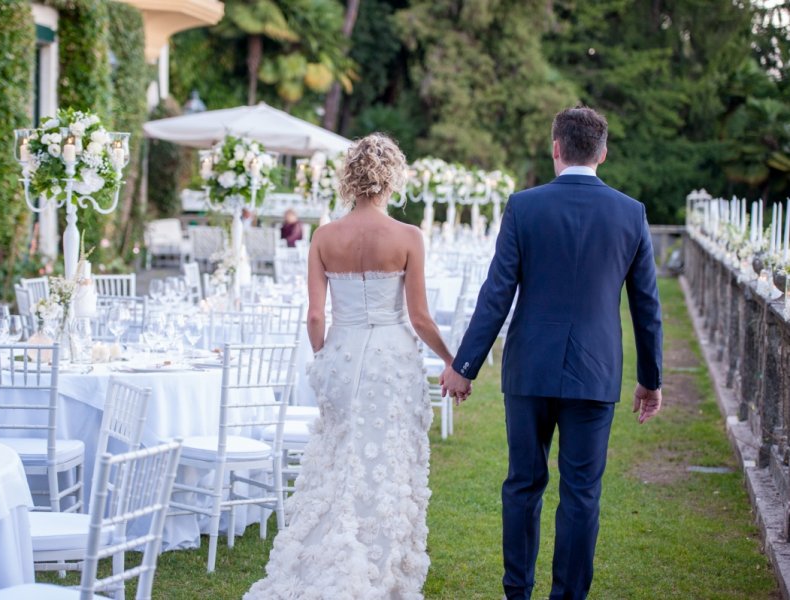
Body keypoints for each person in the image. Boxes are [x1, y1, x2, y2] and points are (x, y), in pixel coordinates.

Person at [441, 106, 663, 600]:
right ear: (603, 152)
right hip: (596, 372)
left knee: (523, 485)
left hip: (530, 370)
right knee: (581, 495)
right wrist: (651, 379)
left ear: (556, 148)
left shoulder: (525, 206)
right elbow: (646, 306)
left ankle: (516, 593)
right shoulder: (631, 213)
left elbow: (496, 293)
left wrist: (464, 366)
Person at [245, 133, 452, 599]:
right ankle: (377, 568)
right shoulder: (408, 237)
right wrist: (452, 360)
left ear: (349, 179)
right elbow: (419, 317)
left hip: (342, 354)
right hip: (391, 362)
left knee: (340, 460)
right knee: (386, 460)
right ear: (392, 178)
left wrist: (324, 357)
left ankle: (327, 558)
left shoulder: (323, 236)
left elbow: (315, 316)